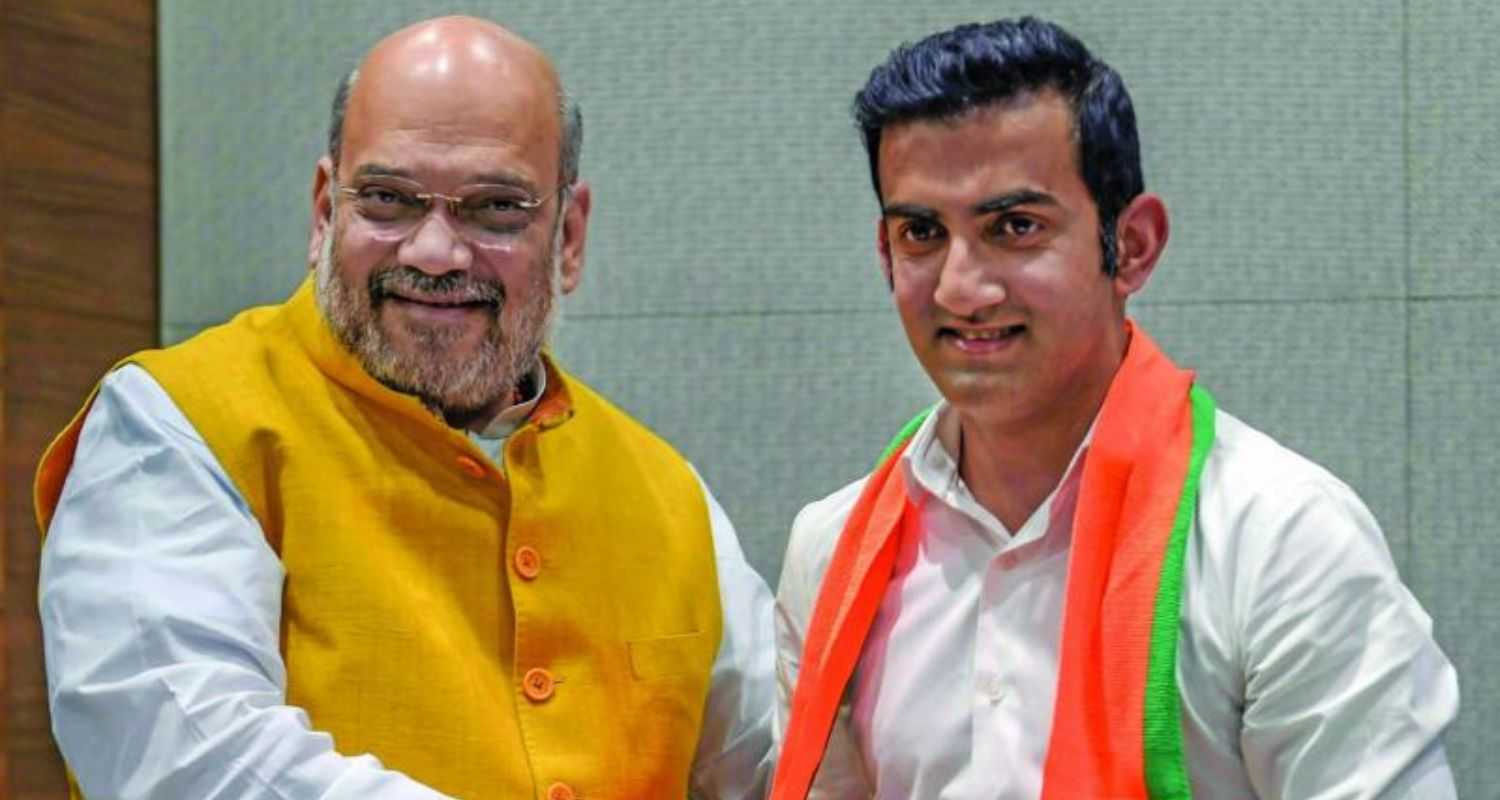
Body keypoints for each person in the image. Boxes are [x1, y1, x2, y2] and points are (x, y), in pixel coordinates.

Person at [35, 15, 774, 800]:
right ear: (325, 212)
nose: (433, 253)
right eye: (387, 200)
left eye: (495, 209)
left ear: (569, 237)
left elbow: (782, 765)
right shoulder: (178, 424)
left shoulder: (669, 494)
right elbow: (187, 762)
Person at [771, 17, 1458, 799]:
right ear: (886, 252)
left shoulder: (1282, 541)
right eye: (922, 232)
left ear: (1131, 246)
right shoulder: (831, 550)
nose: (961, 288)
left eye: (1015, 227)